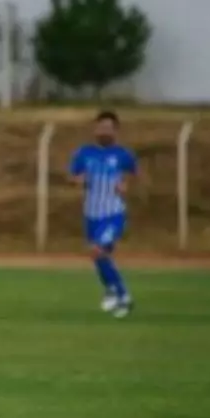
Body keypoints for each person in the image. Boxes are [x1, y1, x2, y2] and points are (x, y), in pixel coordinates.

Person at [68, 110, 137, 318]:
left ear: (116, 131)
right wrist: (77, 181)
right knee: (98, 256)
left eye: (108, 128)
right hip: (91, 214)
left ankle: (122, 295)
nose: (103, 131)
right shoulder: (84, 153)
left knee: (98, 251)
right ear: (95, 129)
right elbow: (73, 176)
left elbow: (135, 177)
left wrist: (126, 185)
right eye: (101, 127)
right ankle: (111, 290)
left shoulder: (123, 155)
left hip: (113, 213)